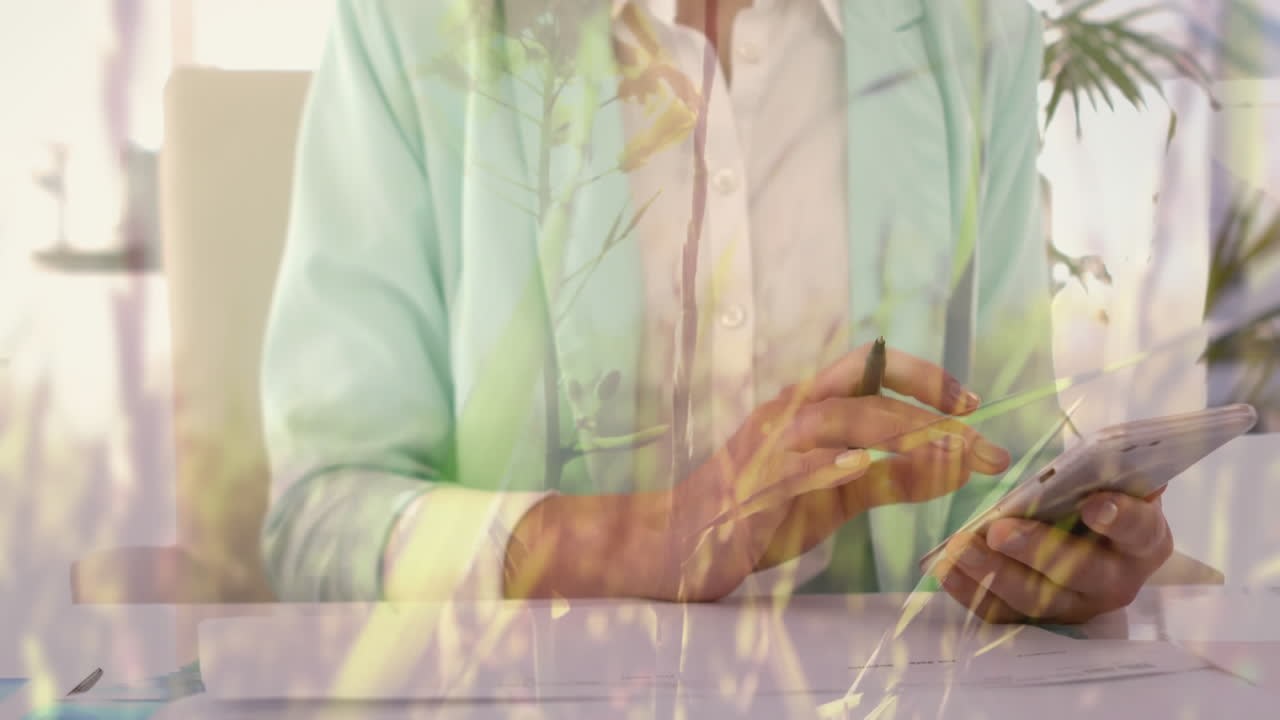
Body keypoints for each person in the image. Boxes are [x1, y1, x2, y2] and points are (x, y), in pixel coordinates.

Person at [259, 0, 1175, 624]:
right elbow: (321, 521)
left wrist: (1046, 553)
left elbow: (993, 464)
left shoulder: (969, 30)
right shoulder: (413, 26)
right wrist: (640, 542)